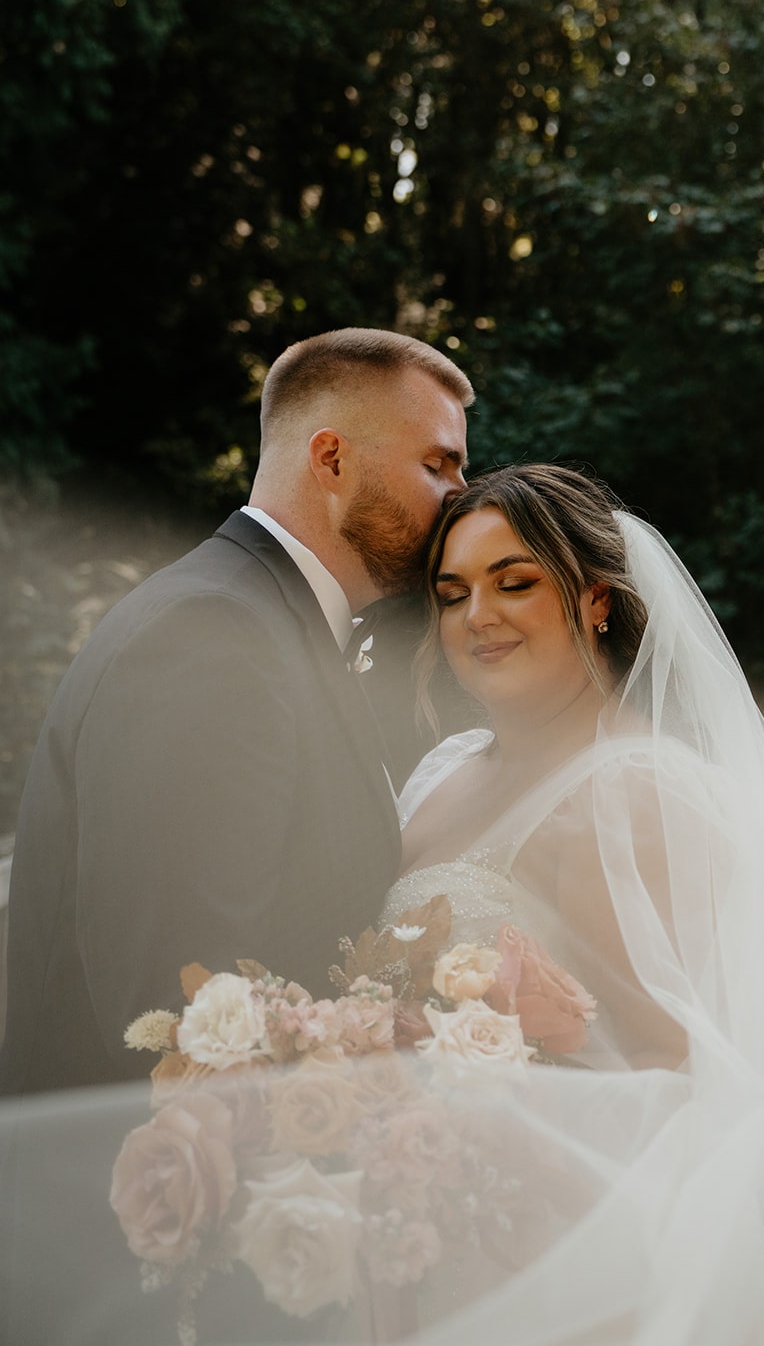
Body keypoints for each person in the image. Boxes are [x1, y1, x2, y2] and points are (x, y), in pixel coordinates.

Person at [368, 463, 764, 1344]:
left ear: (596, 600)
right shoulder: (445, 770)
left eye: (514, 583)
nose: (477, 616)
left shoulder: (634, 792)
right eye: (451, 593)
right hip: (417, 1221)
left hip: (561, 1258)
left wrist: (460, 1109)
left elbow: (677, 1088)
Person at [0, 327, 472, 1096]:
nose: (459, 491)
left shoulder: (257, 621)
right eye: (438, 463)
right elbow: (177, 1005)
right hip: (132, 1185)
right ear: (332, 459)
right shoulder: (212, 636)